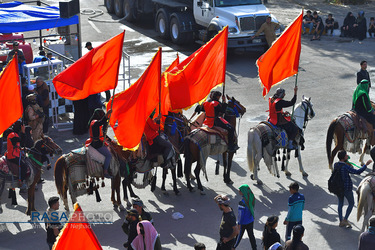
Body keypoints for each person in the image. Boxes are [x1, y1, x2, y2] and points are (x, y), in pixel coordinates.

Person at [334, 150, 371, 228]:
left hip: (338, 188)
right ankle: (345, 219)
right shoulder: (345, 166)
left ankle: (341, 221)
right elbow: (357, 172)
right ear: (344, 157)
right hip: (346, 188)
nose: (347, 156)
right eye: (346, 155)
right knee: (351, 203)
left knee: (340, 204)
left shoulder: (336, 164)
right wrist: (366, 165)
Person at [86, 108, 112, 178]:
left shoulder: (93, 121)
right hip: (97, 144)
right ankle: (105, 171)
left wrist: (110, 140)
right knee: (109, 155)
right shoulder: (95, 123)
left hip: (96, 142)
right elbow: (101, 122)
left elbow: (102, 133)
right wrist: (107, 115)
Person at [233, 184, 257, 250]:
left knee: (238, 236)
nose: (238, 191)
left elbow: (240, 215)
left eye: (240, 190)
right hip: (250, 220)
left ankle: (233, 247)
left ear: (243, 192)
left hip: (243, 223)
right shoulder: (251, 198)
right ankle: (254, 248)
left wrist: (239, 224)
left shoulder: (242, 202)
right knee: (251, 236)